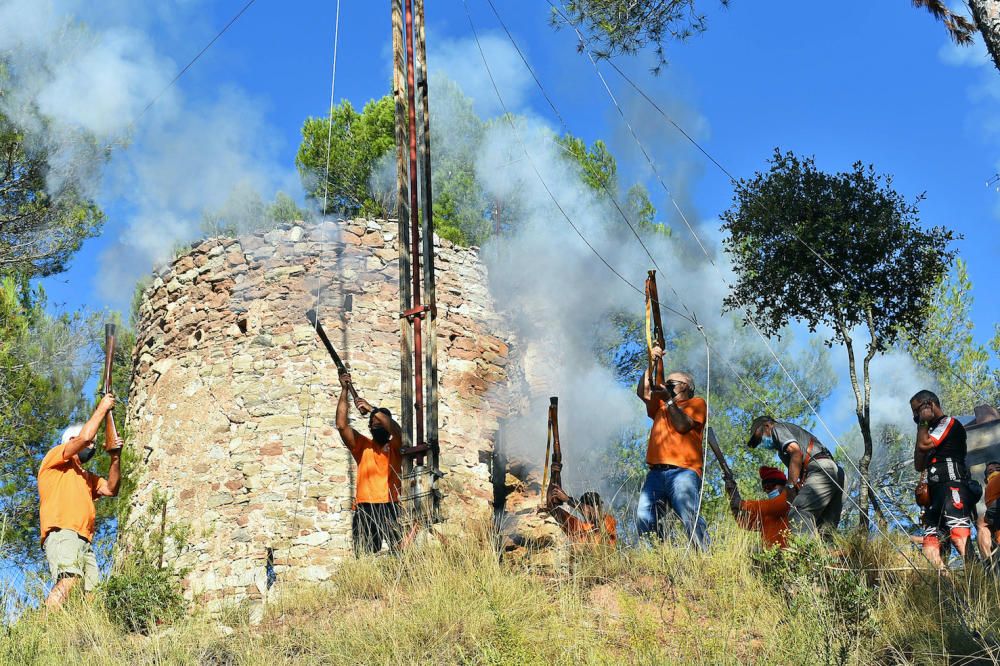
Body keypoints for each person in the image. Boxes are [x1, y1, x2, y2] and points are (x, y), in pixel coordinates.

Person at [38, 394, 123, 609]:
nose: (91, 447)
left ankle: (85, 637)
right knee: (68, 580)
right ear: (71, 441)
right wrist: (102, 408)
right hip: (62, 532)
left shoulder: (86, 477)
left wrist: (115, 457)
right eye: (90, 443)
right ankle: (41, 629)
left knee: (92, 595)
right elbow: (84, 438)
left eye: (94, 444)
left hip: (85, 539)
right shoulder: (55, 458)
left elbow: (111, 489)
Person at [635, 345, 708, 548]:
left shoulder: (696, 403)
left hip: (684, 471)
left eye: (671, 383)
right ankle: (655, 560)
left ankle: (703, 556)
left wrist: (667, 400)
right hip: (656, 473)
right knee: (645, 517)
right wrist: (652, 362)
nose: (666, 385)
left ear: (685, 386)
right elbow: (643, 392)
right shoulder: (660, 406)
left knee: (688, 514)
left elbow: (683, 425)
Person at [336, 372, 403, 556]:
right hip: (365, 507)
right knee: (364, 557)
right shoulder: (363, 447)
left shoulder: (396, 445)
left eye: (380, 423)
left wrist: (373, 409)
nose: (376, 425)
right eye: (373, 423)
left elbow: (398, 431)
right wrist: (344, 391)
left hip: (391, 505)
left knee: (401, 554)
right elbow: (342, 425)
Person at [747, 416, 844, 539]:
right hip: (834, 473)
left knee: (799, 512)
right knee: (825, 531)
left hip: (821, 469)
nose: (762, 441)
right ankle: (829, 555)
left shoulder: (777, 428)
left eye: (759, 436)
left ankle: (805, 556)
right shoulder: (782, 452)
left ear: (767, 425)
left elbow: (796, 453)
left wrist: (789, 487)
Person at [911, 389, 972, 569]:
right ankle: (944, 585)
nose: (915, 416)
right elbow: (919, 464)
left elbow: (923, 445)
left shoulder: (949, 422)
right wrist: (922, 424)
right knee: (930, 543)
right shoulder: (929, 430)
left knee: (959, 535)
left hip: (951, 484)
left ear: (929, 404)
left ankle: (978, 580)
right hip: (934, 493)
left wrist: (923, 421)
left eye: (917, 410)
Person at [725, 466, 791, 549]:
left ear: (783, 485)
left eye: (770, 486)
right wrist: (733, 494)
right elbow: (744, 523)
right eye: (765, 488)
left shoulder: (790, 499)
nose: (767, 490)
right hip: (769, 557)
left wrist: (742, 504)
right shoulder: (766, 512)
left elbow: (776, 506)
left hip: (789, 555)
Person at [546, 485, 617, 546]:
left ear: (596, 506)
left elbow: (599, 521)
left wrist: (568, 500)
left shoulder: (608, 520)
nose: (584, 511)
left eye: (584, 507)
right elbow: (552, 506)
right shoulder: (579, 527)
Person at [980, 461, 1000, 562]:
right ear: (986, 479)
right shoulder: (990, 486)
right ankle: (988, 562)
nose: (995, 472)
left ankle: (988, 562)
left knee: (981, 522)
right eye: (991, 471)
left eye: (998, 469)